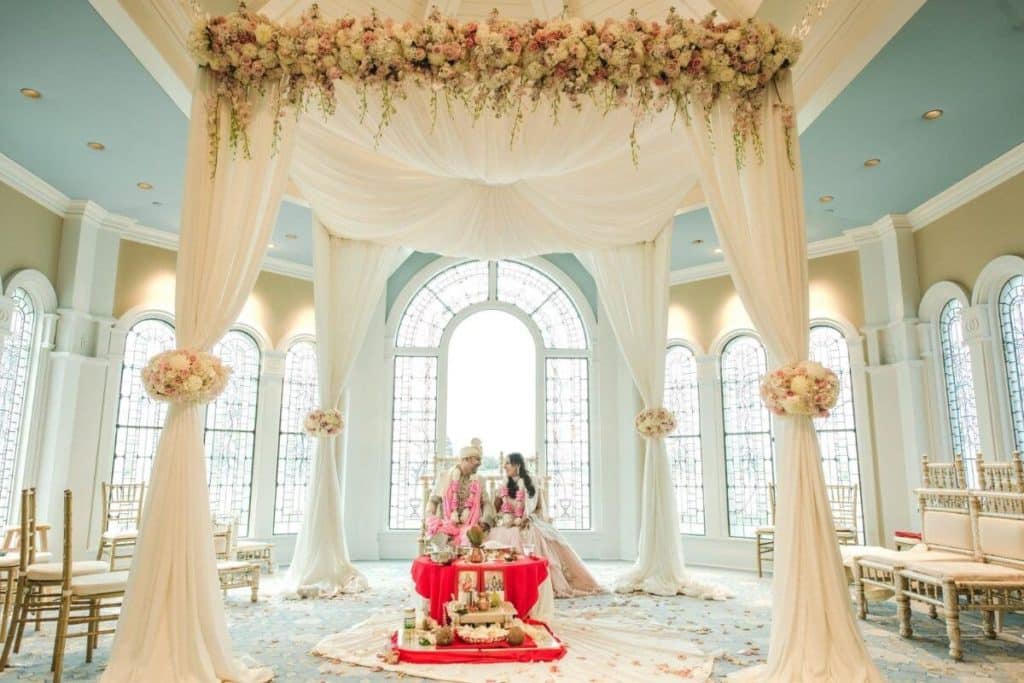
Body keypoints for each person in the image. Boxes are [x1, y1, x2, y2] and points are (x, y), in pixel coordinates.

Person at [488, 453, 602, 598]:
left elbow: (532, 506)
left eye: (507, 463)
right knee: (498, 534)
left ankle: (534, 583)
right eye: (504, 463)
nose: (504, 466)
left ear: (517, 465)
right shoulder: (505, 484)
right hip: (509, 521)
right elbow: (497, 507)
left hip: (527, 519)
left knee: (530, 534)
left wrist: (522, 519)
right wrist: (499, 501)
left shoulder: (531, 481)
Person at [425, 438, 494, 547]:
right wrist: (430, 517)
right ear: (465, 459)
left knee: (470, 537)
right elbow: (433, 500)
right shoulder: (445, 477)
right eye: (477, 460)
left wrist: (485, 522)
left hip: (470, 526)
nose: (480, 464)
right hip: (447, 524)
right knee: (438, 537)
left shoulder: (479, 480)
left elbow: (486, 503)